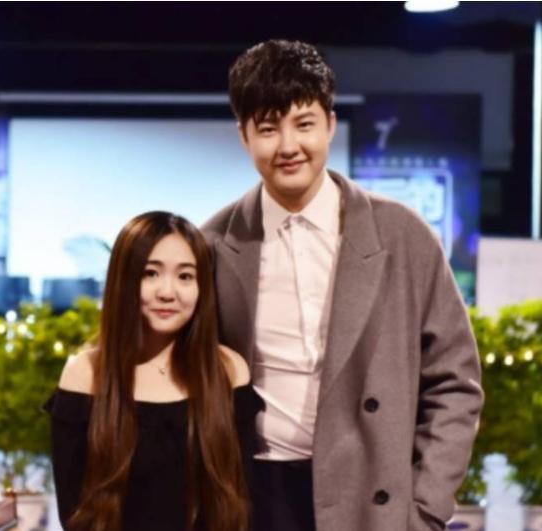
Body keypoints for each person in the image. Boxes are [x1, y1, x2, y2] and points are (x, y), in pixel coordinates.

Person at [202, 40, 484, 531]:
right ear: (244, 136)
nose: (288, 146)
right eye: (267, 128)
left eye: (304, 124)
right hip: (253, 497)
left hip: (371, 501)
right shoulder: (212, 244)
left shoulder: (402, 235)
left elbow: (455, 383)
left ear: (330, 125)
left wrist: (424, 510)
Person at [44, 211, 263, 531]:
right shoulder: (86, 375)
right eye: (150, 273)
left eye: (185, 276)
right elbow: (76, 513)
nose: (167, 292)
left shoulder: (228, 370)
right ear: (124, 281)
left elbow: (242, 503)